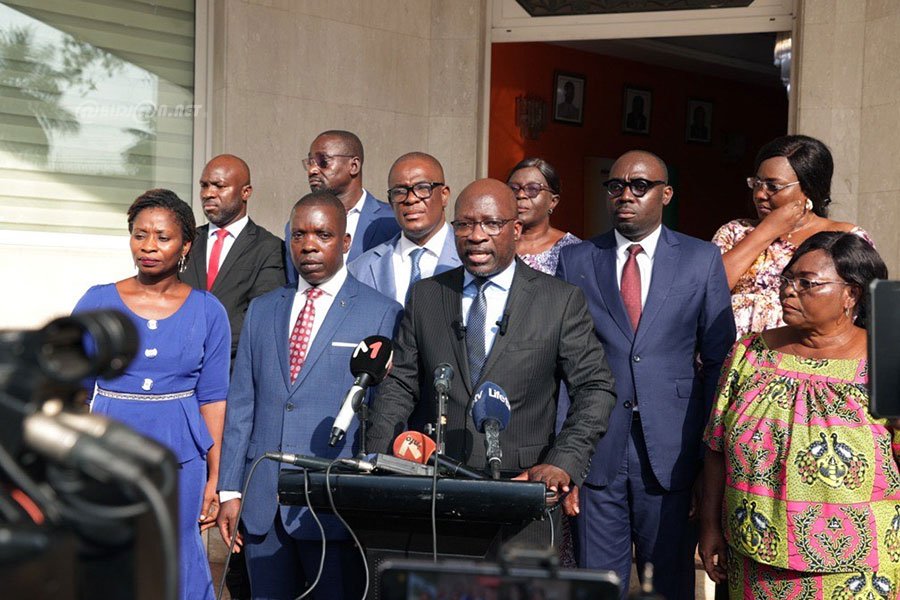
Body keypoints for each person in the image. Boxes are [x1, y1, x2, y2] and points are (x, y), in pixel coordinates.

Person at [366, 178, 617, 549]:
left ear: (515, 230)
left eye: (491, 224)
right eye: (464, 224)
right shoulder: (426, 297)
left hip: (524, 493)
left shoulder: (558, 301)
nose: (476, 235)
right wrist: (380, 457)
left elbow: (596, 388)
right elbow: (400, 385)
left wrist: (562, 462)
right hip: (438, 491)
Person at [556, 150, 735, 600]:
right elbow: (562, 365)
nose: (626, 195)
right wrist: (565, 458)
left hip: (673, 451)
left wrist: (707, 459)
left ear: (665, 193)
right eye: (616, 186)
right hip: (598, 447)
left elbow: (718, 361)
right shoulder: (577, 259)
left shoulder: (701, 258)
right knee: (597, 586)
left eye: (640, 186)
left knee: (669, 584)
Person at [217, 191, 402, 600]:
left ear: (346, 241)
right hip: (262, 501)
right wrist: (230, 490)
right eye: (299, 234)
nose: (309, 245)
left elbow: (382, 408)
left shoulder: (381, 312)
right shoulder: (263, 309)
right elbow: (242, 404)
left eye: (323, 234)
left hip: (333, 506)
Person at [699, 231, 899, 599]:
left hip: (857, 568)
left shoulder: (885, 360)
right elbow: (715, 446)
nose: (788, 291)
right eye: (787, 280)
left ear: (850, 294)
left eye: (806, 283)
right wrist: (710, 526)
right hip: (756, 558)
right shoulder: (749, 354)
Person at [73, 189, 229, 600]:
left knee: (175, 559)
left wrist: (215, 477)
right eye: (139, 235)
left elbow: (213, 399)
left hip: (181, 460)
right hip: (108, 455)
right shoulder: (97, 300)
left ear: (185, 246)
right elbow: (73, 389)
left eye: (162, 237)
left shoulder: (209, 310)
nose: (148, 246)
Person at [713, 134, 874, 338]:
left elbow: (862, 311)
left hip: (806, 360)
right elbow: (710, 289)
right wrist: (767, 231)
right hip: (732, 361)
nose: (760, 194)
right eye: (757, 183)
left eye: (773, 186)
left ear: (808, 189)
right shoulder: (735, 232)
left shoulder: (845, 237)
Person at [181, 154, 286, 359]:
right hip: (179, 367)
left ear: (245, 192)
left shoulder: (268, 248)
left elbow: (261, 316)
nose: (208, 193)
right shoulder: (186, 241)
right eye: (204, 185)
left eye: (219, 186)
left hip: (231, 369)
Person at [284, 130, 400, 281]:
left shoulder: (391, 220)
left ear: (353, 165)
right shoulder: (296, 226)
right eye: (310, 162)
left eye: (323, 162)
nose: (312, 170)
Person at [348, 152, 460, 304]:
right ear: (390, 201)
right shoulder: (360, 269)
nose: (411, 199)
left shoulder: (469, 257)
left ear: (444, 195)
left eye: (422, 188)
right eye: (399, 192)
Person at [506, 158, 580, 275]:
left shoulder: (572, 249)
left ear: (553, 201)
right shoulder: (494, 240)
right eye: (513, 188)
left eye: (533, 189)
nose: (520, 195)